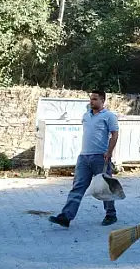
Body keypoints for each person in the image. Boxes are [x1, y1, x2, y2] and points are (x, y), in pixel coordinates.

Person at [49, 90, 120, 228]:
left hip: (100, 157)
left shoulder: (109, 116)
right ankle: (66, 217)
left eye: (94, 99)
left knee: (105, 186)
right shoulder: (86, 116)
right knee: (78, 187)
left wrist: (109, 152)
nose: (91, 101)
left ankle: (111, 215)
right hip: (84, 157)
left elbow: (114, 135)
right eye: (91, 99)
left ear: (102, 101)